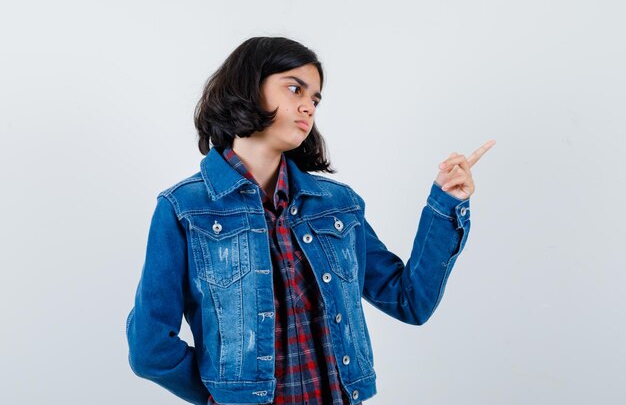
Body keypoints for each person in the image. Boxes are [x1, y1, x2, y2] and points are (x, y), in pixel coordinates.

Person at [125, 36, 495, 405]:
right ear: (247, 88)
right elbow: (150, 349)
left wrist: (445, 205)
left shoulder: (337, 205)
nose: (308, 107)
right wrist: (222, 397)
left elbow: (409, 301)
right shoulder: (184, 208)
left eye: (315, 99)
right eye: (294, 89)